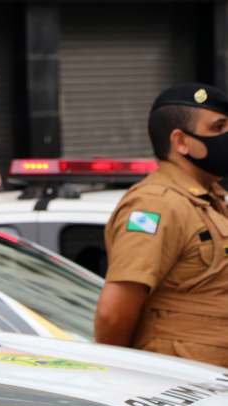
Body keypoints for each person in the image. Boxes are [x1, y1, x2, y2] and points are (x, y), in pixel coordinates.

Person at [96, 82, 228, 367]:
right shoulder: (156, 203)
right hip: (184, 392)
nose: (225, 136)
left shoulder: (211, 199)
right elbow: (113, 315)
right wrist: (115, 377)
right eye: (218, 129)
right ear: (181, 141)